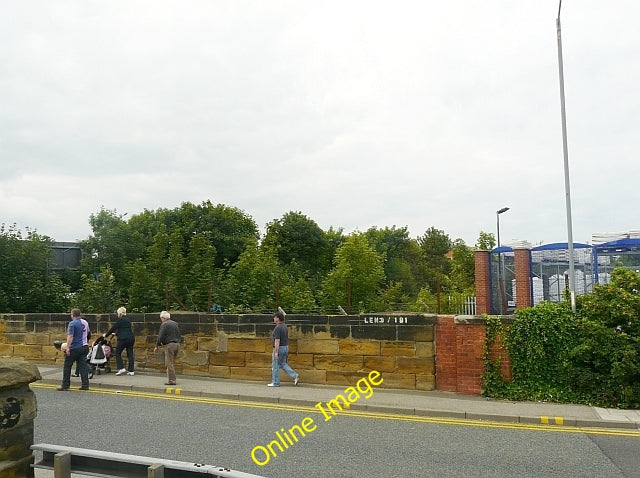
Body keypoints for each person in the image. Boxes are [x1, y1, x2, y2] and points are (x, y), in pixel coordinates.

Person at [58, 308, 91, 391]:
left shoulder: (72, 324)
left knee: (67, 366)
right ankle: (85, 385)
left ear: (72, 315)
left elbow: (70, 336)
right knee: (83, 366)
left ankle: (65, 385)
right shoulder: (85, 322)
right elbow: (88, 333)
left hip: (75, 347)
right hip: (84, 347)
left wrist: (68, 347)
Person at [268, 311, 299, 387]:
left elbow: (277, 341)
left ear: (278, 318)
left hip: (280, 348)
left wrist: (276, 352)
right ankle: (295, 376)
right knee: (283, 364)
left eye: (275, 317)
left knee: (275, 365)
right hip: (285, 347)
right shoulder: (284, 326)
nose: (274, 318)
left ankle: (275, 382)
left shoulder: (277, 328)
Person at [104, 306, 135, 376]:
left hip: (123, 339)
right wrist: (116, 333)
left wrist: (106, 335)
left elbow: (113, 328)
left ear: (120, 314)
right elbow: (124, 329)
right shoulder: (128, 320)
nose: (117, 315)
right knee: (130, 353)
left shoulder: (120, 320)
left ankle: (121, 368)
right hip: (131, 338)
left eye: (118, 313)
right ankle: (131, 370)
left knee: (117, 352)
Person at [153, 310, 180, 385]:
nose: (161, 320)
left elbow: (160, 336)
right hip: (177, 344)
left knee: (169, 363)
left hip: (169, 345)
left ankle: (172, 380)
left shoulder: (164, 324)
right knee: (171, 362)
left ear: (163, 318)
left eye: (161, 318)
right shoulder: (175, 323)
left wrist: (157, 345)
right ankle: (172, 379)